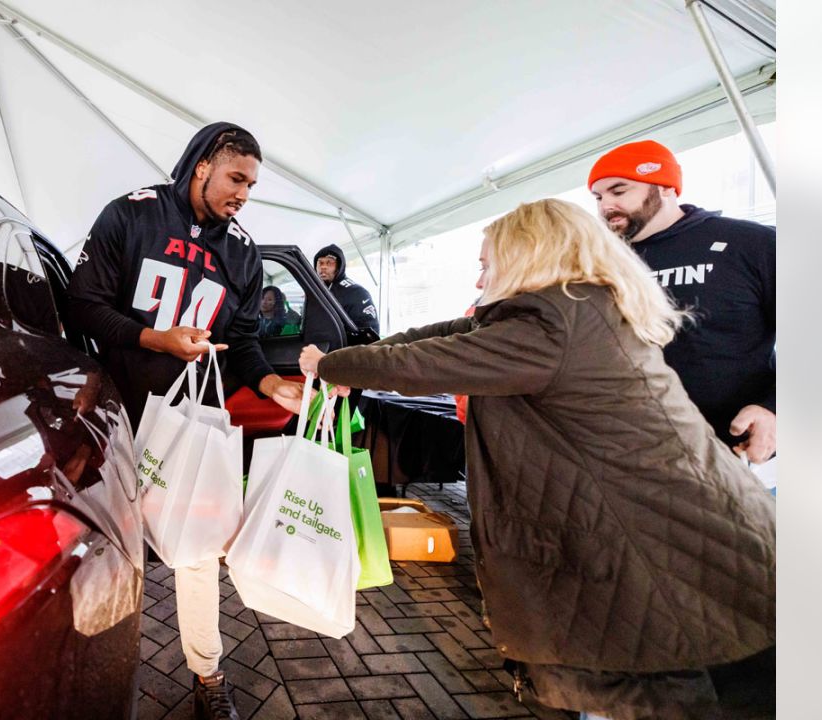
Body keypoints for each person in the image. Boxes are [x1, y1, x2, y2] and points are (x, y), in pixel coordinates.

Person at [299, 199, 775, 720]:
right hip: (689, 544)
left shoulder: (553, 326)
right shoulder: (573, 310)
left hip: (675, 565)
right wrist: (346, 365)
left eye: (487, 264)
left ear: (529, 256)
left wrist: (330, 366)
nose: (481, 280)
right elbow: (443, 335)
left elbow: (424, 362)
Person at [67, 122, 302, 720]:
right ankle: (90, 673)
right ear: (202, 165)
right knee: (105, 552)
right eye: (236, 178)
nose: (244, 193)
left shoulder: (243, 253)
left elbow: (243, 340)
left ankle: (208, 673)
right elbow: (84, 304)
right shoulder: (131, 214)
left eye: (252, 183)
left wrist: (272, 383)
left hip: (189, 421)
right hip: (114, 416)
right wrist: (153, 338)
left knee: (197, 551)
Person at [588, 140, 776, 469]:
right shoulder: (603, 265)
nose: (606, 206)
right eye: (599, 197)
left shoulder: (751, 244)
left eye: (619, 191)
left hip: (740, 452)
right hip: (636, 455)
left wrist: (774, 409)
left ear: (665, 187)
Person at [313, 244, 380, 334]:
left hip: (344, 346)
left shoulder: (357, 293)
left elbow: (370, 335)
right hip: (317, 344)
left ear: (339, 267)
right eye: (320, 263)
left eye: (329, 263)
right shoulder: (315, 290)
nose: (323, 267)